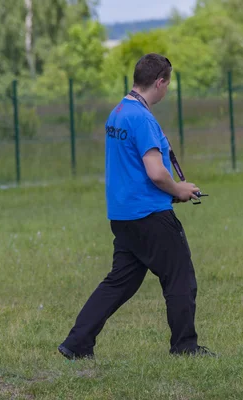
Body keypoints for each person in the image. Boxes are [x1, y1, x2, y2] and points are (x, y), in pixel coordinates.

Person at [58, 53, 215, 359]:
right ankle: (185, 347)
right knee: (180, 276)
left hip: (123, 215)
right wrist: (179, 189)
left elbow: (130, 169)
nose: (167, 90)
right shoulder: (142, 118)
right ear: (159, 82)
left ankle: (77, 343)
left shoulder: (117, 112)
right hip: (150, 216)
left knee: (119, 283)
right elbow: (156, 172)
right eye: (167, 84)